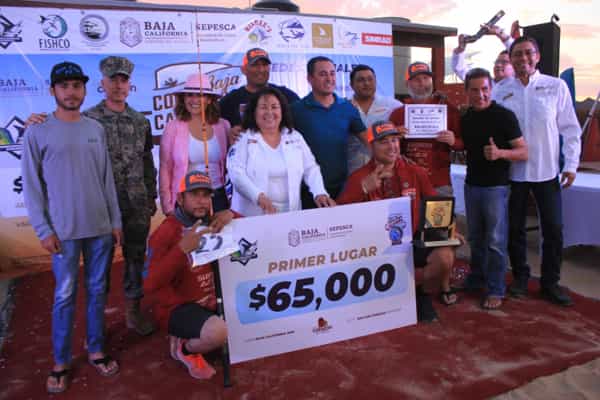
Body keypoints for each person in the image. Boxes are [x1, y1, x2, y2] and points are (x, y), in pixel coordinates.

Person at [26, 56, 158, 336]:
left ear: (129, 84)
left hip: (135, 203)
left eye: (123, 80)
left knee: (135, 258)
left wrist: (150, 196)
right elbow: (61, 126)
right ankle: (101, 322)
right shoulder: (90, 119)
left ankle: (133, 311)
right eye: (113, 80)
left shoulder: (140, 121)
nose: (118, 86)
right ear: (102, 84)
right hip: (98, 208)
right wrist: (33, 120)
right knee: (100, 269)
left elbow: (147, 160)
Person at [21, 62, 122, 393]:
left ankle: (96, 350)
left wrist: (115, 222)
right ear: (53, 91)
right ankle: (61, 361)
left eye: (77, 85)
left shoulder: (95, 129)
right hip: (63, 232)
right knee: (64, 297)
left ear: (84, 90)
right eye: (64, 86)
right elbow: (33, 188)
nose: (71, 92)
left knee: (97, 292)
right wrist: (43, 230)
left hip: (99, 229)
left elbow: (107, 179)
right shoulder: (37, 132)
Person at [337, 121, 463, 322]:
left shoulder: (416, 172)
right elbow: (339, 217)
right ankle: (385, 295)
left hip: (411, 241)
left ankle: (420, 294)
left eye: (395, 140)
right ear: (371, 147)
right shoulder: (359, 177)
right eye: (383, 142)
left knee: (445, 255)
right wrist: (362, 189)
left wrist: (448, 230)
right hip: (373, 248)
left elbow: (435, 204)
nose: (392, 146)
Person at [492, 36, 582, 306]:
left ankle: (550, 282)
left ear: (538, 56)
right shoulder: (501, 90)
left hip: (547, 172)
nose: (523, 59)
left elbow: (570, 129)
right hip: (513, 174)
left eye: (528, 53)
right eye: (517, 54)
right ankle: (520, 277)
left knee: (553, 229)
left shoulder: (555, 87)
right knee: (515, 229)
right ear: (511, 58)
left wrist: (572, 164)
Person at [144, 171, 235, 380]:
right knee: (218, 333)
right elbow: (149, 285)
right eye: (194, 195)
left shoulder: (211, 222)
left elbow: (245, 230)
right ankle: (184, 348)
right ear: (180, 198)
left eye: (205, 195)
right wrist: (181, 250)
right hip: (177, 307)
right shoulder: (165, 232)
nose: (201, 201)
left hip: (210, 300)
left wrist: (231, 214)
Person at [461, 68, 528, 310]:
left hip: (496, 188)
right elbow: (464, 144)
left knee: (495, 242)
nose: (480, 94)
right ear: (467, 92)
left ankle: (496, 288)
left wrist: (500, 153)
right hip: (472, 185)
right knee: (476, 239)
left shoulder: (504, 116)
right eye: (475, 90)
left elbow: (523, 151)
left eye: (485, 89)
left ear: (491, 89)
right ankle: (477, 278)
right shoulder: (466, 117)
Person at [228, 87, 334, 216]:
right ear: (254, 112)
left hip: (290, 212)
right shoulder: (243, 138)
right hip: (252, 213)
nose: (269, 112)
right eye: (263, 107)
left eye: (274, 107)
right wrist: (258, 197)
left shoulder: (294, 137)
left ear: (282, 110)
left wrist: (319, 192)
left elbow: (310, 168)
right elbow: (236, 174)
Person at [291, 56, 367, 205]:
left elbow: (368, 138)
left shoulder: (347, 108)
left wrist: (389, 138)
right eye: (323, 74)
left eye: (332, 73)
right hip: (308, 190)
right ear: (309, 78)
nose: (329, 79)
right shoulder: (296, 109)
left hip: (342, 188)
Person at [159, 73, 230, 214]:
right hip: (188, 198)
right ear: (183, 99)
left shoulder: (224, 126)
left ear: (209, 99)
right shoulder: (173, 127)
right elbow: (165, 169)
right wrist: (167, 206)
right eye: (190, 95)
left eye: (200, 95)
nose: (194, 100)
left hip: (219, 196)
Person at [389, 62, 463, 196]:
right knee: (408, 217)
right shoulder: (397, 114)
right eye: (416, 80)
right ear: (407, 84)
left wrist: (453, 141)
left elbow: (463, 144)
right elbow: (388, 150)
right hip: (406, 182)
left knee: (438, 217)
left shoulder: (448, 109)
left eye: (426, 78)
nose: (422, 83)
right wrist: (394, 137)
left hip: (439, 183)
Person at [219, 48, 299, 144]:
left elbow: (300, 123)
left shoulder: (286, 95)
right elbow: (214, 126)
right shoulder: (230, 100)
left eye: (264, 65)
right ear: (243, 69)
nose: (261, 70)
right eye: (255, 65)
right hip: (245, 155)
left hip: (279, 153)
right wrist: (227, 133)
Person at [348, 64, 403, 173]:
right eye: (361, 80)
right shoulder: (344, 107)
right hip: (351, 168)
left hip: (384, 169)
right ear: (351, 85)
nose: (366, 83)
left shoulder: (392, 105)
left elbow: (412, 122)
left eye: (370, 79)